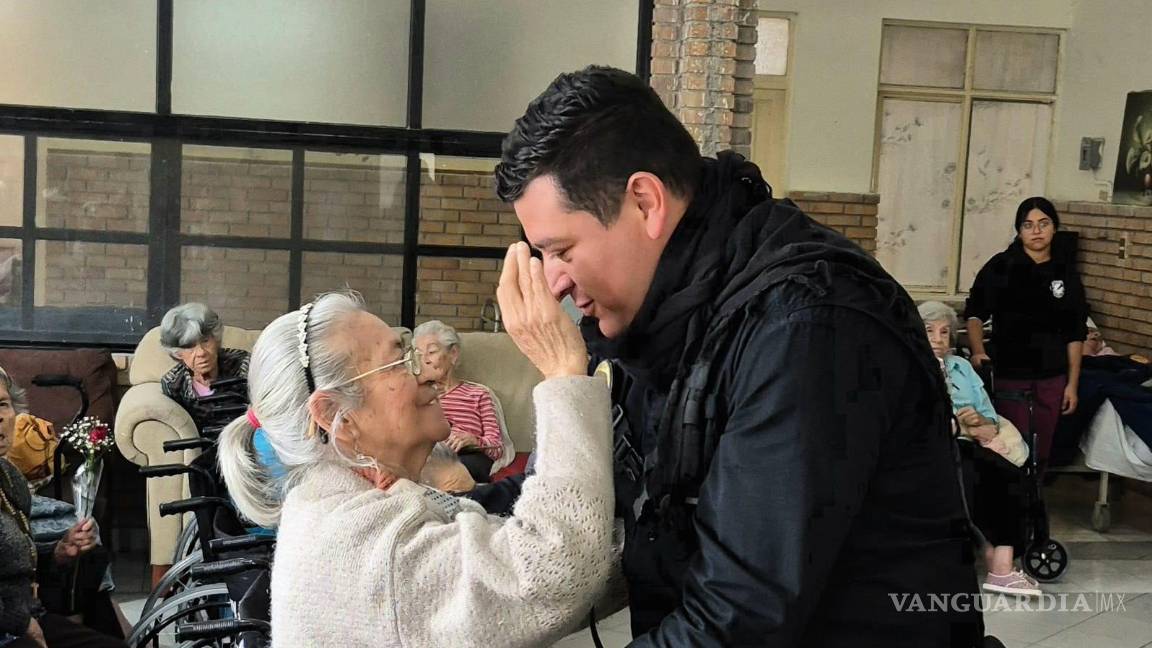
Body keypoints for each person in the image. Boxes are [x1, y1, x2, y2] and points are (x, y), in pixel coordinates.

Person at [494, 66, 982, 647]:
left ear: (645, 202)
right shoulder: (671, 317)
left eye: (561, 251)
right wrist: (425, 511)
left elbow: (735, 624)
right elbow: (596, 483)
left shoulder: (806, 328)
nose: (552, 284)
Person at [216, 288, 615, 647]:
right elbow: (553, 571)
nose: (424, 374)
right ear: (337, 414)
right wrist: (565, 375)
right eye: (398, 362)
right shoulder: (374, 547)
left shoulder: (341, 501)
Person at [919, 301, 1037, 598]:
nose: (937, 338)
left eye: (945, 332)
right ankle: (991, 557)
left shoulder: (961, 368)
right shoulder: (912, 366)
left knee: (1010, 474)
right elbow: (916, 420)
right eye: (929, 331)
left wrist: (981, 422)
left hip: (969, 441)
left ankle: (1002, 565)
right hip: (931, 447)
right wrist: (960, 424)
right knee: (973, 475)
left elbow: (989, 416)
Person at [0, 369, 124, 648]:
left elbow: (18, 566)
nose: (0, 417)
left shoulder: (9, 478)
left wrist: (59, 552)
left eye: (3, 405)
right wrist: (20, 623)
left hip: (23, 616)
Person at [965, 197, 1089, 471]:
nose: (1036, 231)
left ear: (1054, 228)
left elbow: (1075, 332)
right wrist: (977, 351)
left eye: (1043, 224)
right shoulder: (1001, 266)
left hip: (1052, 376)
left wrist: (1072, 384)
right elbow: (974, 314)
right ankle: (1011, 504)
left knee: (1042, 450)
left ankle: (1035, 500)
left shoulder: (1065, 272)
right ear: (1019, 231)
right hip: (1011, 374)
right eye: (1028, 225)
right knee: (1012, 447)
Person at [412, 320, 514, 481]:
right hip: (428, 455)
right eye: (418, 354)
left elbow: (497, 448)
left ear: (453, 354)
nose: (425, 360)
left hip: (468, 457)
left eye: (431, 352)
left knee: (455, 470)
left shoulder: (478, 394)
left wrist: (474, 440)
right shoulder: (414, 393)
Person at [159, 302, 250, 431]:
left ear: (216, 339)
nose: (201, 352)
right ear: (178, 353)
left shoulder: (243, 364)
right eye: (190, 346)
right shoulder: (173, 384)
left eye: (205, 341)